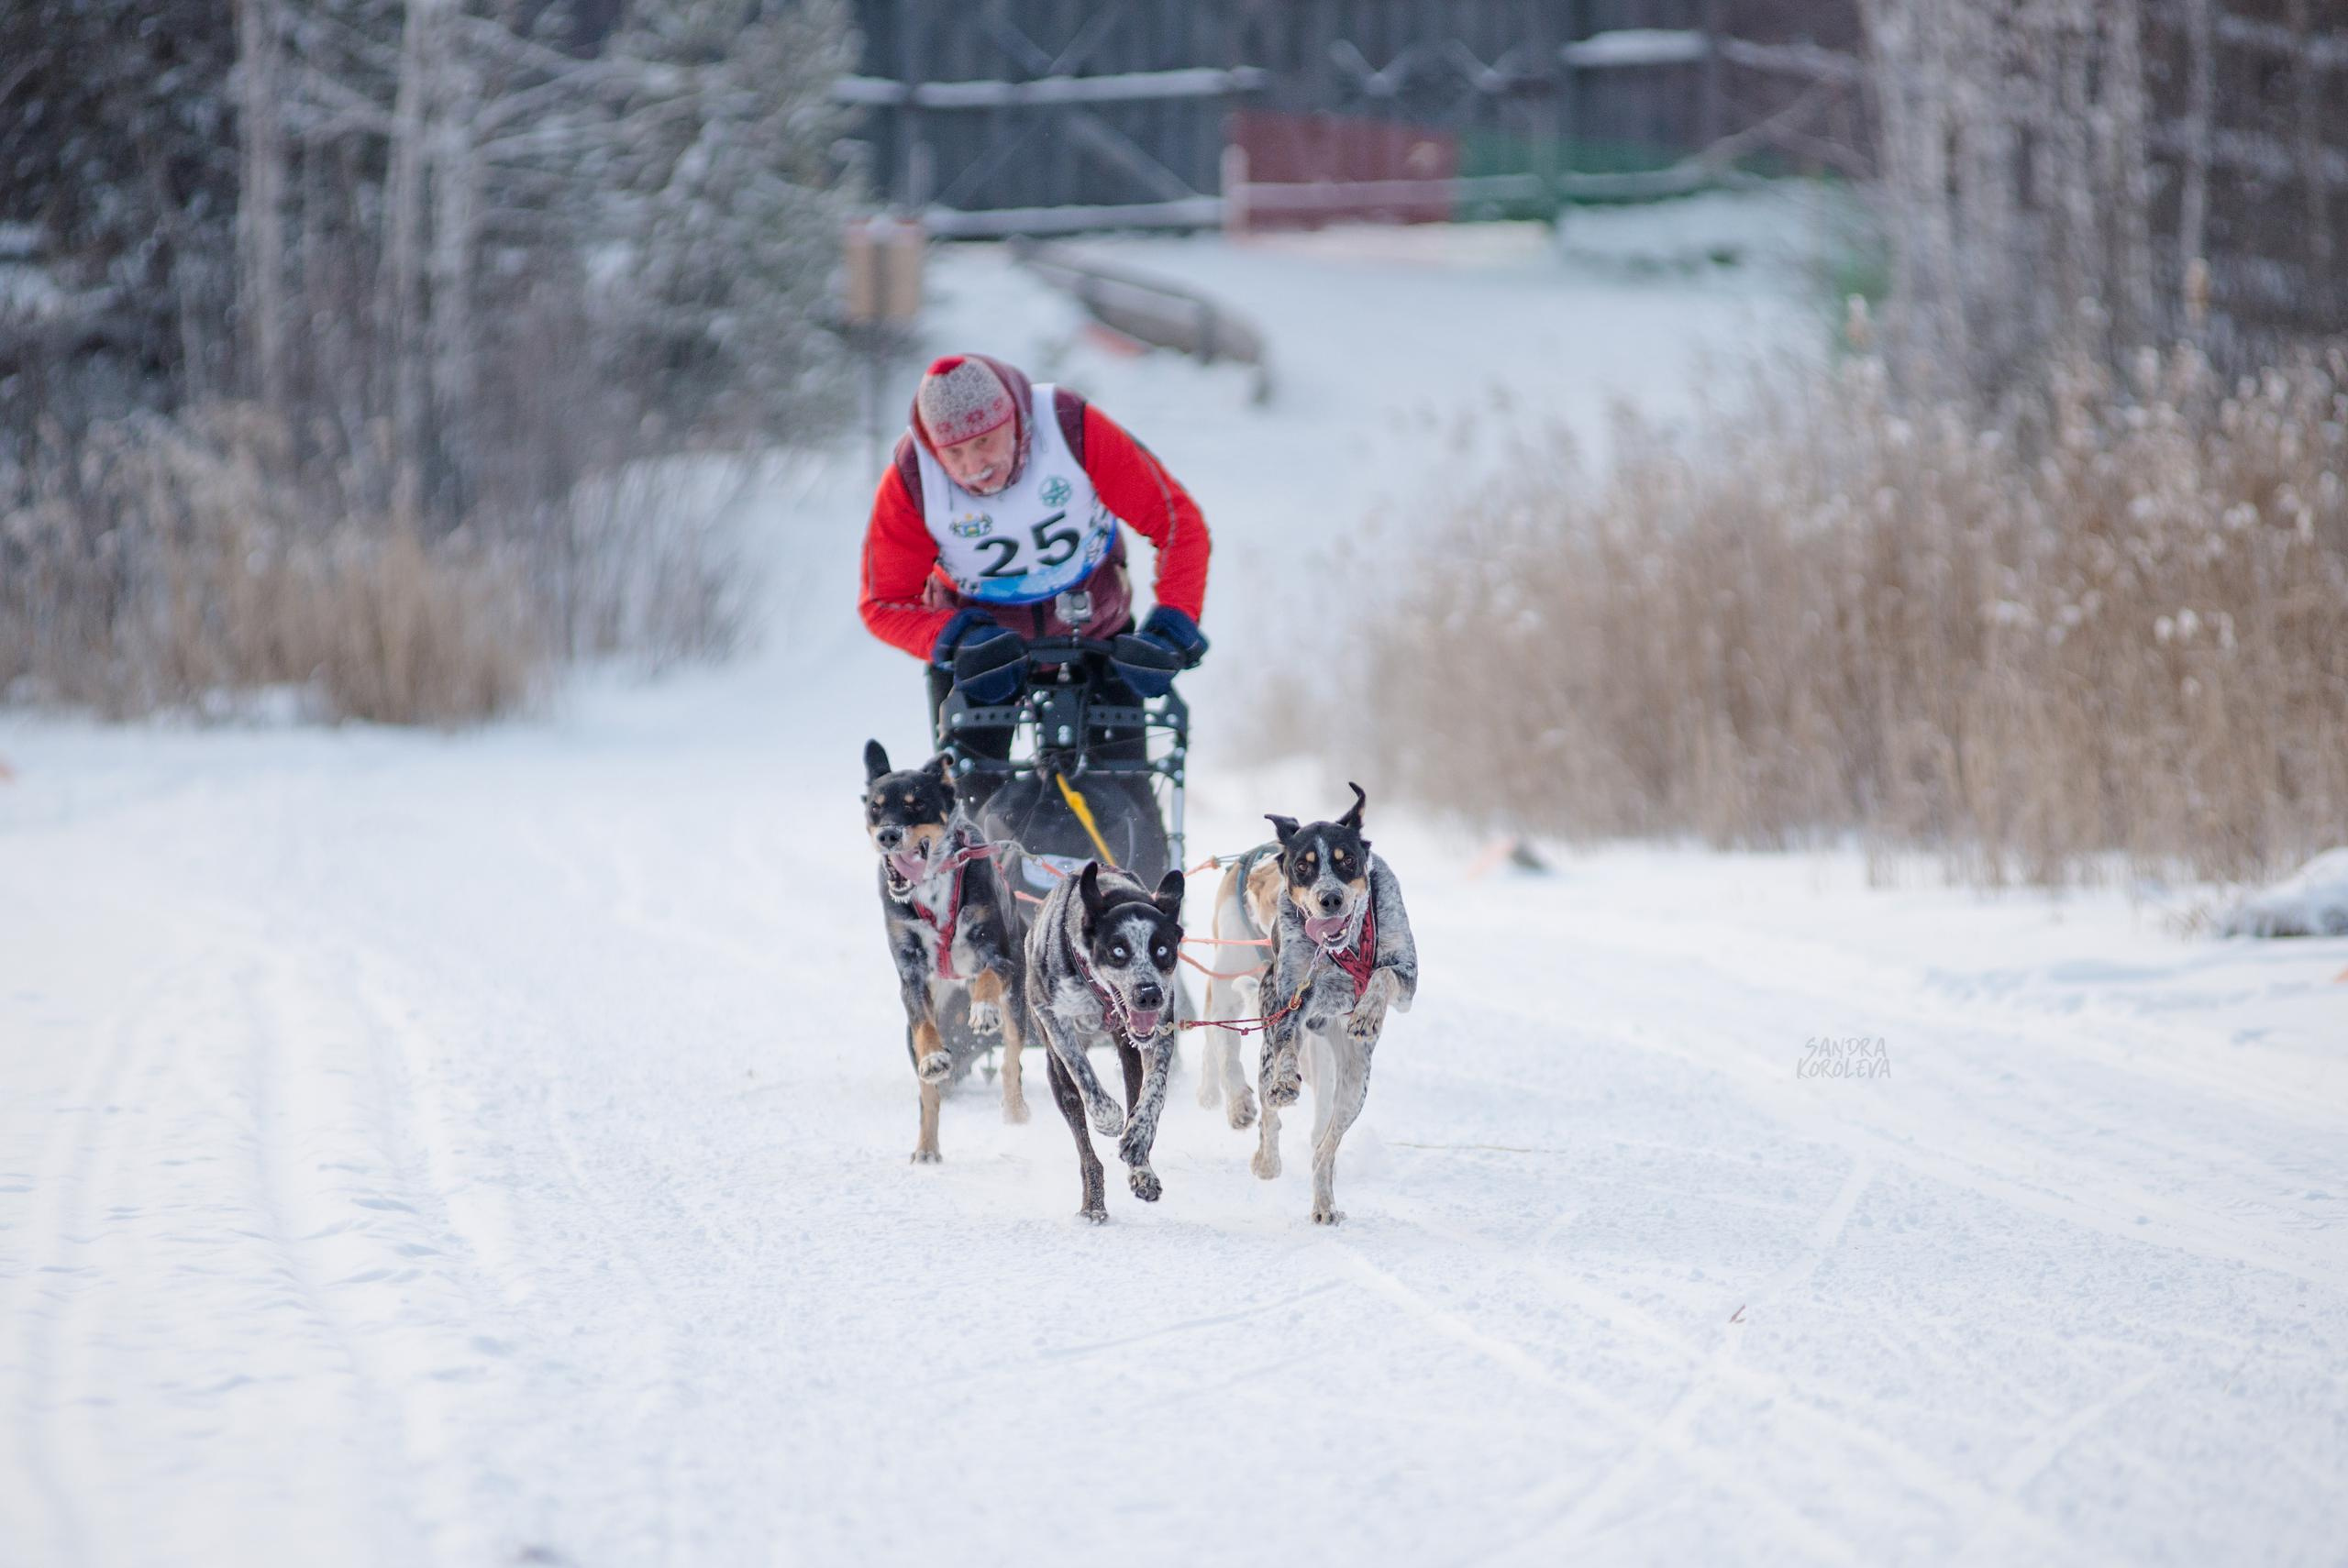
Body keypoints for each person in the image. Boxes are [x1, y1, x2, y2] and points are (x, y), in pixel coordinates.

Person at [857, 353, 1212, 770]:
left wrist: (1172, 625)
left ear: (1016, 420)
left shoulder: (1070, 427)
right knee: (973, 809)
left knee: (1127, 806)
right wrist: (954, 638)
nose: (974, 467)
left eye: (984, 441)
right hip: (984, 650)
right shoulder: (912, 476)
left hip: (1096, 628)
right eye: (954, 453)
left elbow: (1176, 523)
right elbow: (883, 602)